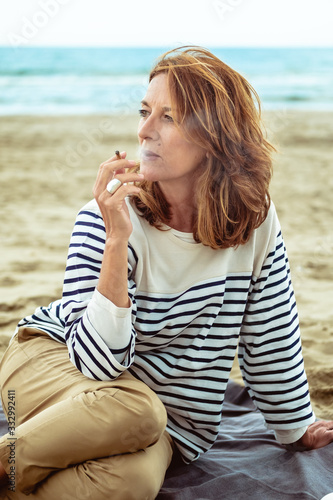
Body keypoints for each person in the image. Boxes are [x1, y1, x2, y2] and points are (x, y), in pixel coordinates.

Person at [0, 46, 332, 500]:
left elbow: (269, 332)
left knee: (132, 482)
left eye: (169, 117)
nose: (143, 130)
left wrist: (296, 427)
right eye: (144, 111)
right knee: (137, 411)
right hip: (55, 364)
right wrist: (117, 241)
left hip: (166, 423)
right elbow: (97, 365)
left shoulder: (254, 221)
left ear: (216, 134)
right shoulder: (106, 218)